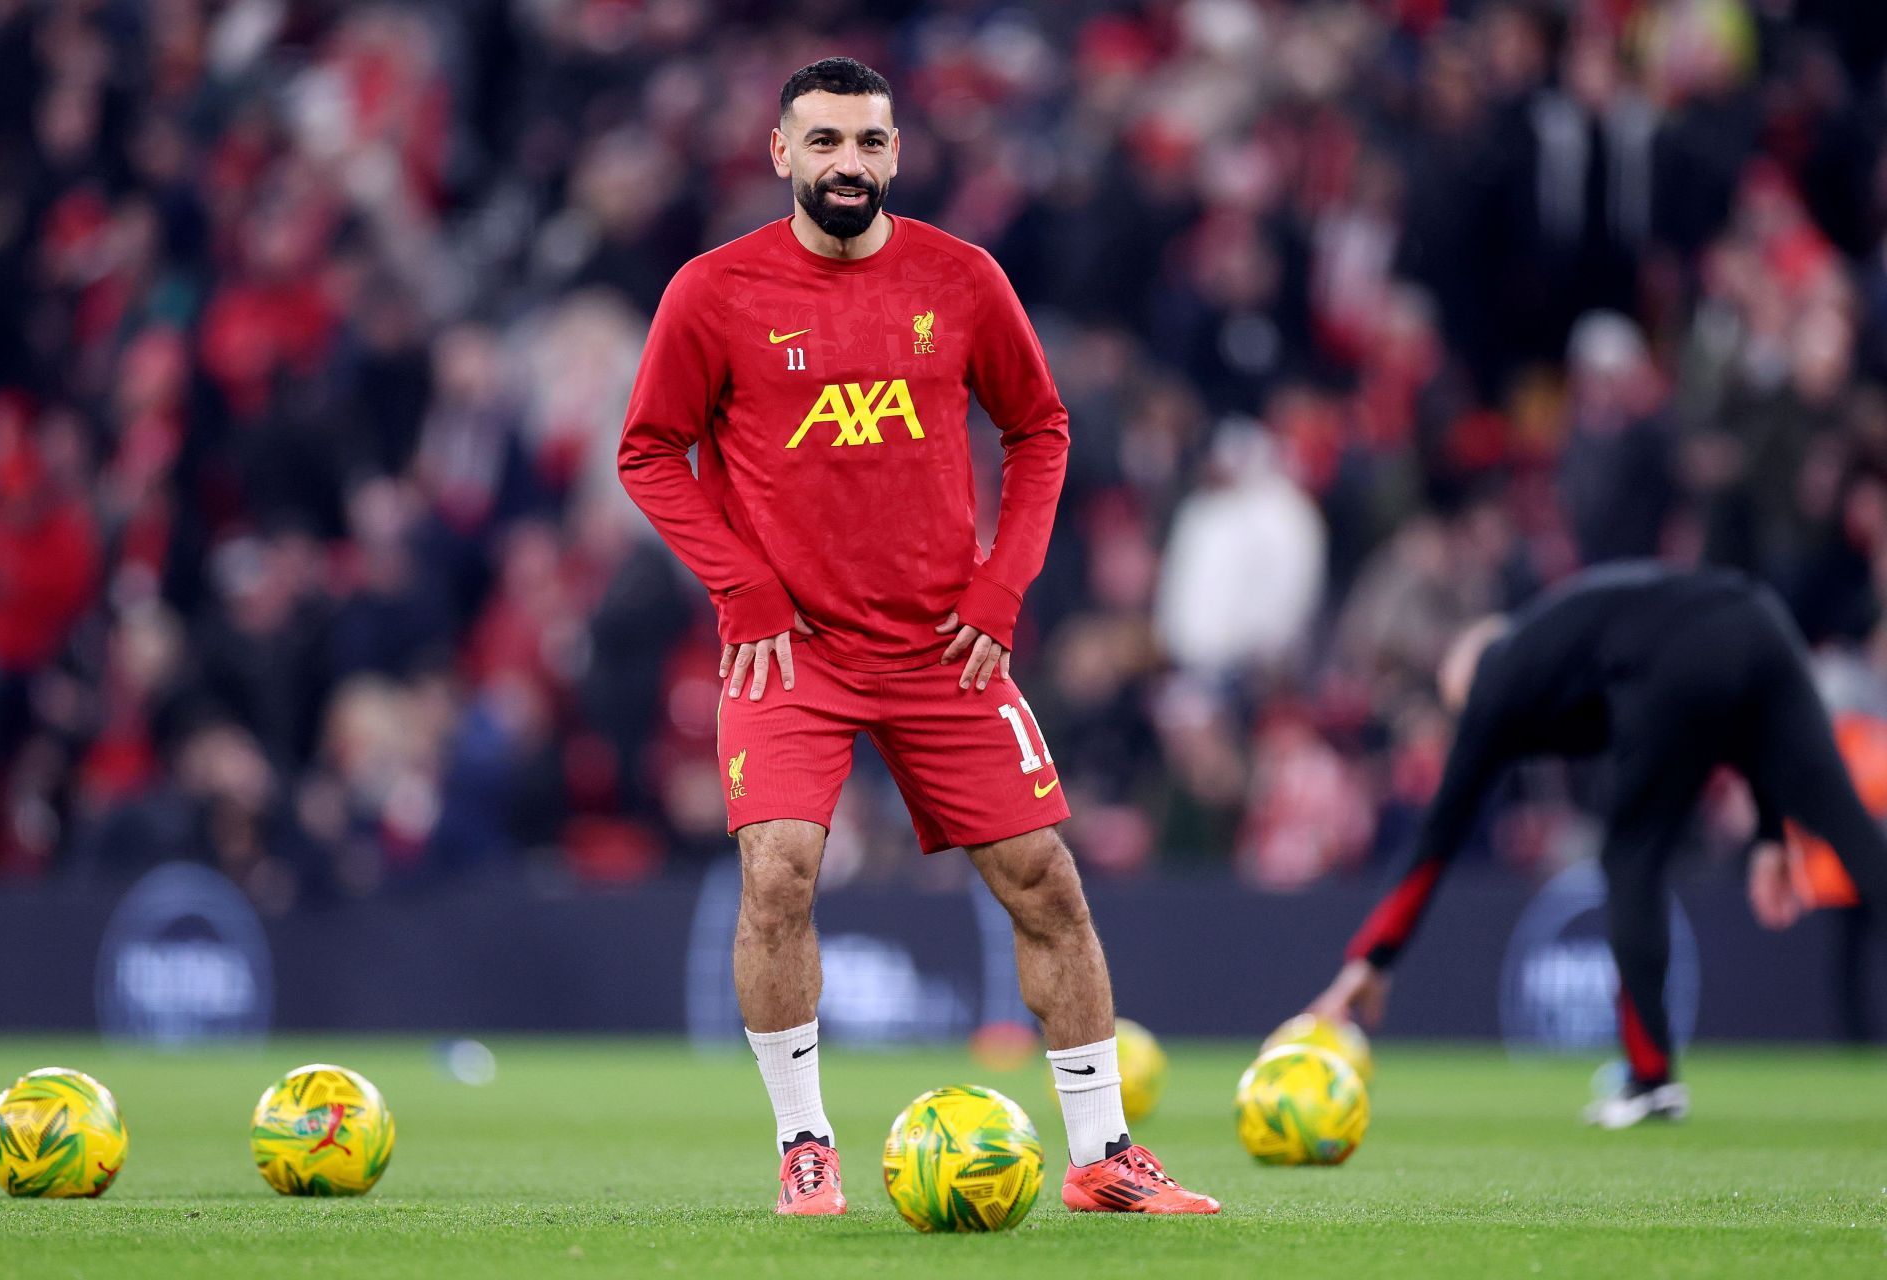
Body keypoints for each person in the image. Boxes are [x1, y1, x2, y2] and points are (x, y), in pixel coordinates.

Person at [616, 57, 1216, 1216]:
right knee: (778, 870)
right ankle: (805, 1145)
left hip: (949, 646)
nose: (851, 163)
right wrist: (741, 584)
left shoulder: (965, 278)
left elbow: (1040, 427)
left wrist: (1001, 591)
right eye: (827, 141)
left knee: (1046, 879)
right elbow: (649, 450)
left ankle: (1103, 1155)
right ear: (781, 153)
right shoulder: (713, 289)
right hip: (789, 651)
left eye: (871, 142)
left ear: (898, 154)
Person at [1308, 562, 1887, 1128]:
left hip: (1678, 650)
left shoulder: (1494, 675)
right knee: (1853, 832)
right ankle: (1650, 1077)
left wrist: (1374, 957)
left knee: (1630, 856)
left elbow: (1439, 833)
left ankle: (1652, 1080)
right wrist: (1768, 830)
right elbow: (1731, 708)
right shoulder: (1567, 635)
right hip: (1759, 619)